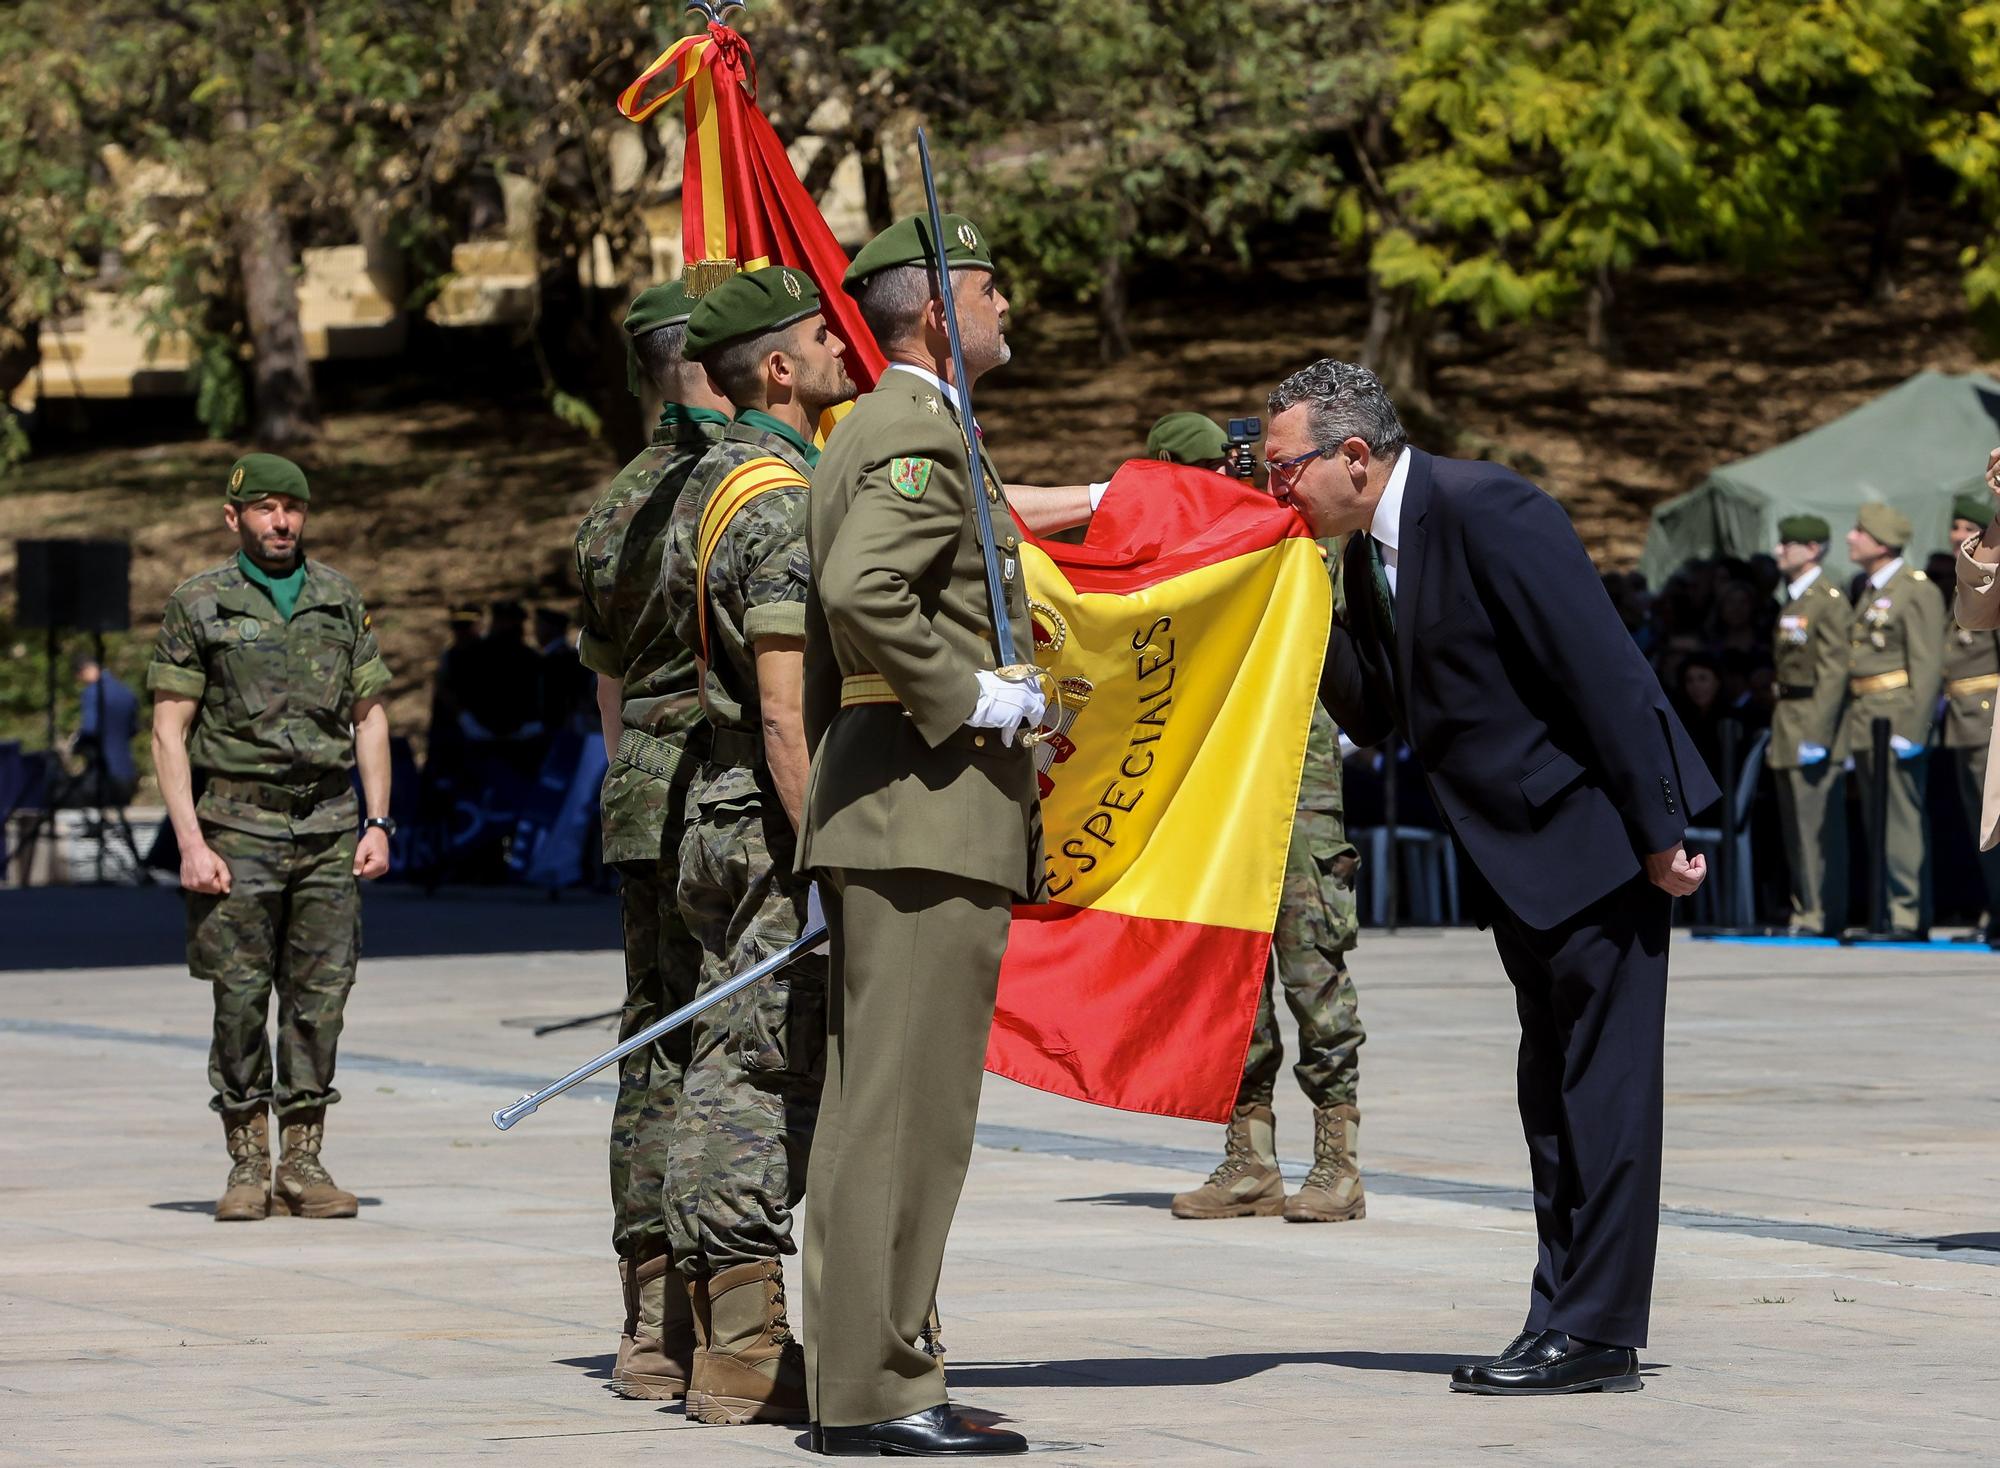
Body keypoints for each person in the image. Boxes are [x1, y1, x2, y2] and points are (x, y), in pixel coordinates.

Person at [1286, 358, 1717, 1397]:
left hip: (1590, 841)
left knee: (1602, 1093)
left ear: (1351, 456)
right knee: (1550, 1094)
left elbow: (1600, 668)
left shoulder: (1488, 506)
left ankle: (1599, 1330)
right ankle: (1558, 1313)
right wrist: (1294, 598)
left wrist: (1661, 828)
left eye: (1282, 468)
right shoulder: (1358, 551)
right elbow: (1379, 712)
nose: (1275, 488)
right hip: (1517, 857)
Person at [796, 213, 1055, 1457]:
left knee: (878, 1112)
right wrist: (969, 692)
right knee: (907, 1116)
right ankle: (882, 1391)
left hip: (895, 804)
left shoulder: (888, 429)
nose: (1010, 311)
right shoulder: (910, 431)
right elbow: (857, 595)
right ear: (935, 313)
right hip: (924, 804)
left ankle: (879, 1369)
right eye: (991, 291)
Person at [655, 265, 853, 1426]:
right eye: (820, 337)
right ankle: (741, 1345)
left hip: (717, 808)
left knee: (728, 1055)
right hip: (773, 816)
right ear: (776, 368)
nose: (840, 347)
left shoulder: (709, 482)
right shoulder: (778, 501)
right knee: (759, 1068)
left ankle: (711, 1330)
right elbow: (786, 707)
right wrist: (820, 847)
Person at [146, 453, 394, 1223]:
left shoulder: (337, 598)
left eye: (291, 507)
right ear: (235, 518)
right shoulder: (200, 603)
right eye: (264, 508)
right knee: (241, 997)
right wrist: (190, 841)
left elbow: (370, 716)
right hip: (236, 827)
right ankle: (247, 1161)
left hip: (325, 825)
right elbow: (167, 728)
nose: (280, 521)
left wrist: (378, 820)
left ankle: (305, 1161)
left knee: (321, 999)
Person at [571, 279, 729, 1399]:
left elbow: (609, 683)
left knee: (656, 1046)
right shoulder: (754, 485)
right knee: (744, 1051)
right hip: (733, 790)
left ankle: (647, 1318)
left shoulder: (609, 508)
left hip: (643, 787)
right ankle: (736, 1310)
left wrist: (633, 773)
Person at [1161, 437, 1366, 1225]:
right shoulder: (1169, 564)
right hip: (1216, 796)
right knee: (1230, 981)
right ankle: (1250, 1161)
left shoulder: (1302, 542)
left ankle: (1337, 1163)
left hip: (1296, 787)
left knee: (1314, 971)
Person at [1837, 503, 1945, 939]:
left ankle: (1906, 913)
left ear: (1881, 543)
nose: (1850, 538)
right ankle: (1887, 910)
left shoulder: (1915, 589)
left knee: (1900, 820)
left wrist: (1914, 729)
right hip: (1866, 720)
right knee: (1878, 821)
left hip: (1895, 719)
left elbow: (1927, 663)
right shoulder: (1866, 589)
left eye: (1859, 532)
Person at [1767, 515, 1851, 937]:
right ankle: (1805, 909)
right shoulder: (1796, 598)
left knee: (1817, 829)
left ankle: (1820, 912)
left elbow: (1834, 672)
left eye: (1789, 543)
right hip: (1789, 721)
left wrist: (1818, 734)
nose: (1780, 550)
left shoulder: (1827, 599)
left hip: (1811, 723)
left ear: (1812, 549)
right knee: (1795, 829)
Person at [1942, 491, 2000, 944]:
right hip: (1967, 719)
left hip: (1980, 715)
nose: (1959, 535)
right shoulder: (1968, 570)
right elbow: (1975, 612)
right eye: (1957, 527)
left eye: (1969, 527)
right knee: (1985, 829)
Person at [71, 651, 140, 805]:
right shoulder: (126, 692)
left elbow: (90, 728)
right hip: (127, 775)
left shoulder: (92, 692)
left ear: (83, 671)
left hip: (103, 777)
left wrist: (76, 744)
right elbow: (134, 729)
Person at [535, 607, 594, 737]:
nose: (536, 631)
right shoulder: (573, 657)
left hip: (559, 730)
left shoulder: (557, 660)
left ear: (551, 628)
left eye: (540, 625)